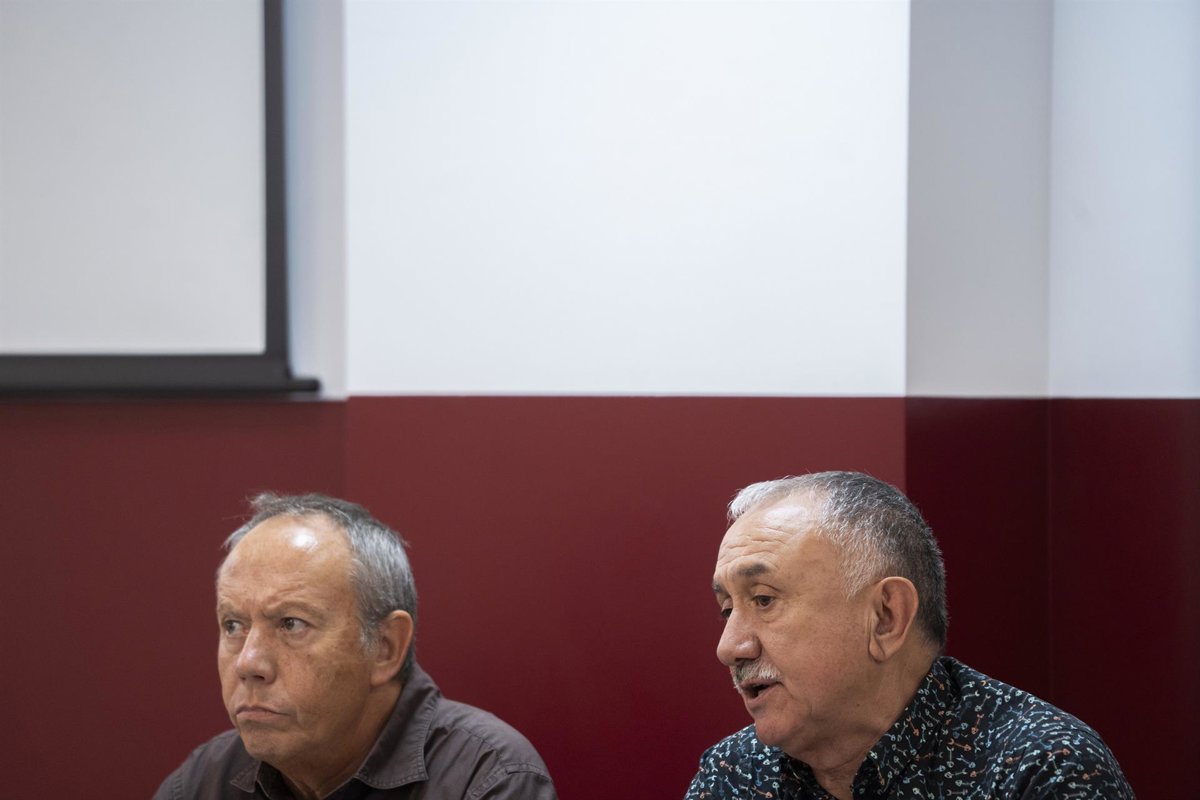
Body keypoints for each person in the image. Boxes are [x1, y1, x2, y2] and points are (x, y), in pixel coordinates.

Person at [686, 471, 1133, 800]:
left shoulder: (1038, 768)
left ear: (886, 617)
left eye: (764, 600)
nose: (730, 647)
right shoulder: (733, 774)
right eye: (727, 609)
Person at [155, 493, 557, 800]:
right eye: (233, 625)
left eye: (291, 623)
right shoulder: (203, 782)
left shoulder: (487, 779)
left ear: (385, 647)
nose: (248, 663)